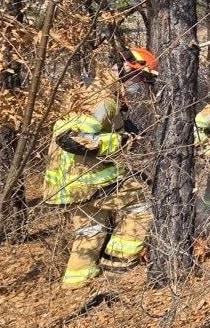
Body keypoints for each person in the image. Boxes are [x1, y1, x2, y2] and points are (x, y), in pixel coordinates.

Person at [43, 47, 159, 288]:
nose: (141, 85)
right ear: (127, 68)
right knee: (143, 202)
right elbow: (71, 138)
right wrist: (122, 141)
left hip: (69, 184)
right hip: (87, 179)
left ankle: (76, 283)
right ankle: (118, 264)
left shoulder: (96, 90)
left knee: (90, 230)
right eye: (142, 78)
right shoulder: (104, 99)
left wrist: (123, 127)